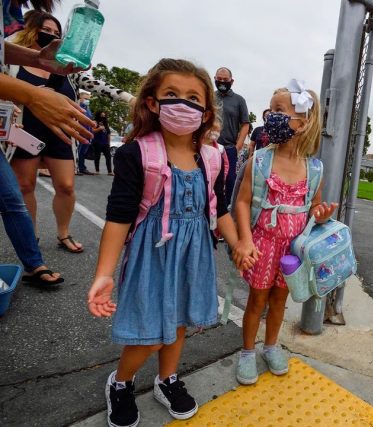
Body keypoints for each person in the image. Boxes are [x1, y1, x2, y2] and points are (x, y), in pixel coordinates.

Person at [87, 58, 240, 426]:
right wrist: (104, 273)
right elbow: (119, 216)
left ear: (205, 112)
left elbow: (219, 208)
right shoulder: (136, 154)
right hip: (151, 256)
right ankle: (120, 383)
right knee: (149, 335)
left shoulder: (214, 156)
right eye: (172, 94)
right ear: (153, 102)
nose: (183, 104)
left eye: (193, 97)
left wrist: (239, 244)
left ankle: (166, 378)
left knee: (180, 321)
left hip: (194, 254)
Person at [233, 80, 337, 385]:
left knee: (279, 301)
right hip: (262, 245)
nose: (270, 116)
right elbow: (241, 202)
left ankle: (271, 345)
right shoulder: (261, 160)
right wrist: (245, 239)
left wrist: (322, 214)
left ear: (302, 124)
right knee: (256, 301)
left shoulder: (314, 169)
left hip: (293, 252)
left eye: (279, 110)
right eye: (270, 109)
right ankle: (248, 352)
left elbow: (314, 208)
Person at [9, 10, 133, 253]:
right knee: (25, 186)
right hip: (25, 131)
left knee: (66, 186)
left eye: (57, 33)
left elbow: (97, 85)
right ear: (31, 30)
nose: (52, 36)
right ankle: (30, 235)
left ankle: (63, 233)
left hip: (62, 134)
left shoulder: (64, 67)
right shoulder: (12, 64)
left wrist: (129, 98)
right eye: (46, 31)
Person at [1, 0, 93, 286]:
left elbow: (91, 81)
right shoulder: (13, 24)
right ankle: (32, 248)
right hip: (26, 131)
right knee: (19, 189)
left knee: (16, 197)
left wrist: (36, 59)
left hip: (59, 133)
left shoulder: (11, 17)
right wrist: (31, 96)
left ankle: (35, 258)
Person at [214, 66, 249, 207]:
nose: (222, 82)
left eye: (225, 80)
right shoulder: (208, 96)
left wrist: (237, 147)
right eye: (219, 79)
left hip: (229, 148)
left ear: (231, 81)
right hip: (209, 146)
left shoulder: (239, 100)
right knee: (209, 179)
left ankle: (227, 212)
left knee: (229, 182)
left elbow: (245, 124)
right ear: (215, 79)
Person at [75, 90, 94, 175]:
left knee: (83, 152)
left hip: (87, 133)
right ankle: (76, 168)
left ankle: (82, 168)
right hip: (80, 132)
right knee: (78, 151)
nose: (87, 101)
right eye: (86, 98)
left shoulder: (88, 108)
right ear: (80, 98)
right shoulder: (78, 106)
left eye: (88, 99)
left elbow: (89, 119)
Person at [91, 110, 112, 175]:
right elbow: (93, 130)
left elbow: (108, 133)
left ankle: (110, 171)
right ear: (98, 115)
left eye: (104, 115)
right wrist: (99, 129)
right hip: (97, 142)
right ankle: (97, 171)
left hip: (105, 143)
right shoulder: (95, 121)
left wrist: (109, 143)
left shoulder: (106, 123)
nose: (103, 116)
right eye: (102, 115)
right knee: (97, 157)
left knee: (108, 157)